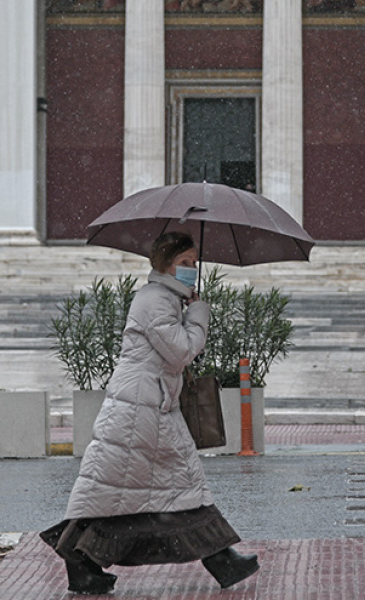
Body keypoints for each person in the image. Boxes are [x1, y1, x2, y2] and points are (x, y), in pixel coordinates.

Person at [41, 232, 260, 595]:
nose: (192, 269)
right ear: (164, 263)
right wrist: (200, 314)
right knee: (174, 484)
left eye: (194, 262)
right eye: (185, 263)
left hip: (148, 404)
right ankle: (221, 559)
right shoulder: (155, 300)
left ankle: (81, 564)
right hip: (142, 407)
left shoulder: (164, 298)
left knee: (117, 491)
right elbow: (181, 351)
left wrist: (189, 311)